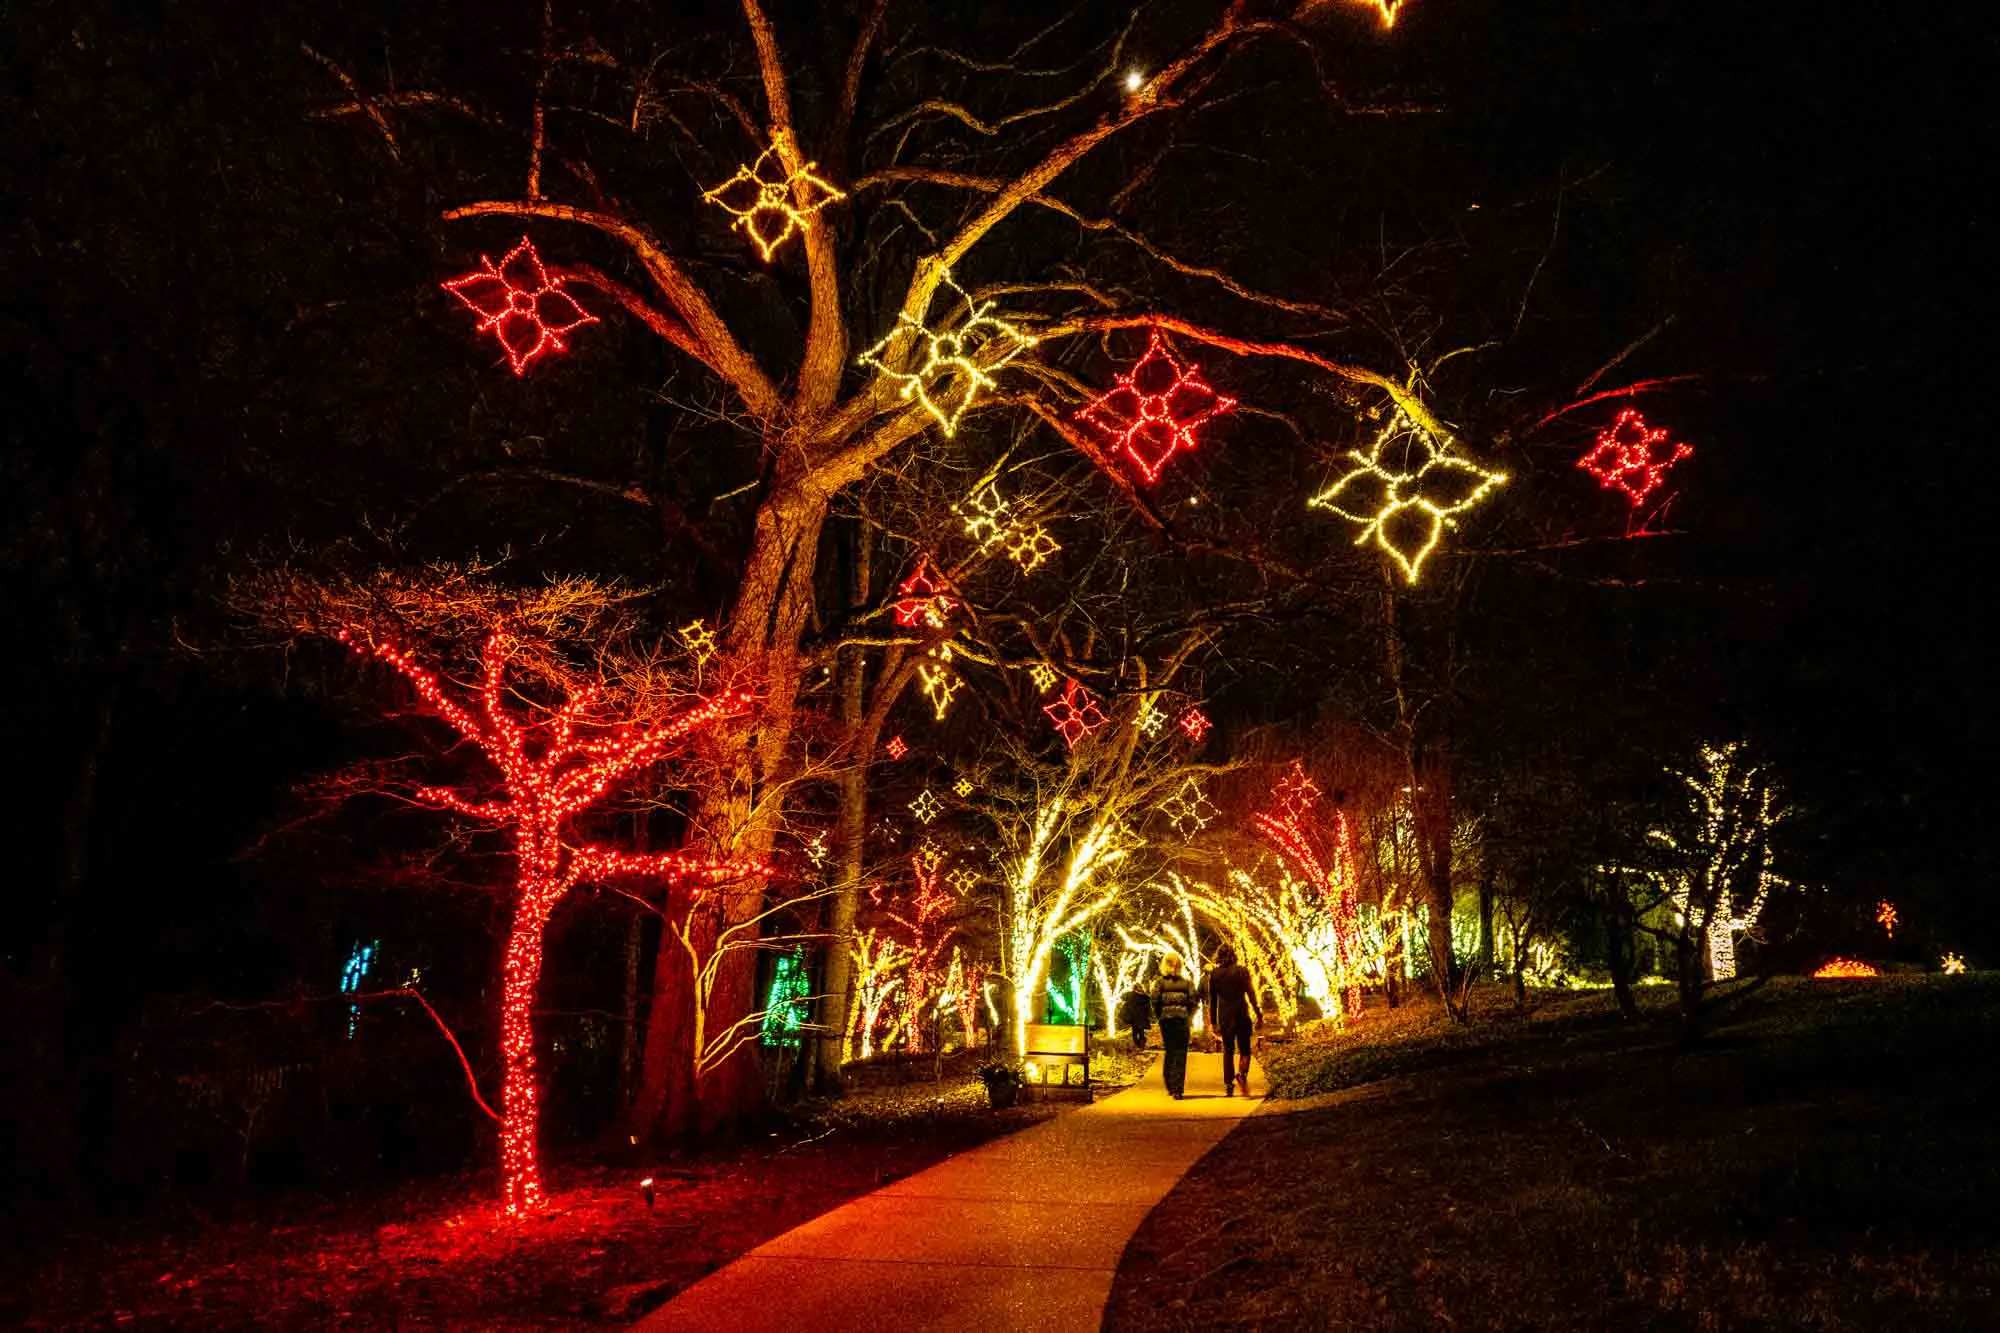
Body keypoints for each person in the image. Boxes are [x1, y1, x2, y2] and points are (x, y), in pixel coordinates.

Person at [1200, 944, 1263, 1096]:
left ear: (1218, 956)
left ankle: (1228, 1085)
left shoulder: (1214, 974)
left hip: (1225, 1016)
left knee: (1228, 1051)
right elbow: (1251, 993)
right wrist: (1258, 1014)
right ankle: (1242, 1074)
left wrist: (1213, 1022)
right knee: (1245, 1049)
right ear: (1233, 955)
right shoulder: (1242, 971)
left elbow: (1213, 1000)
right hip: (1241, 1013)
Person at [1150, 952, 1197, 1099]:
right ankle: (1178, 1088)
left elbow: (1154, 1000)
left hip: (1167, 1020)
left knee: (1170, 1051)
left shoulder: (1160, 982)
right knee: (1181, 1053)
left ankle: (1170, 1083)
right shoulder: (1187, 983)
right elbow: (1193, 1002)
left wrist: (1160, 1016)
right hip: (1182, 1020)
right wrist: (1188, 1015)